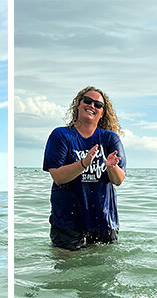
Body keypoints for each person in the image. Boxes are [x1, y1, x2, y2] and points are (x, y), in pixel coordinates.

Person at [43, 86, 126, 251]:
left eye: (98, 105)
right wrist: (84, 163)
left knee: (104, 274)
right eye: (87, 101)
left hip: (104, 223)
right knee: (68, 274)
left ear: (102, 112)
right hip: (67, 224)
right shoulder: (61, 136)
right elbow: (58, 177)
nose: (92, 106)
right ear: (78, 105)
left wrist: (111, 166)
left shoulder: (109, 138)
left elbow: (118, 180)